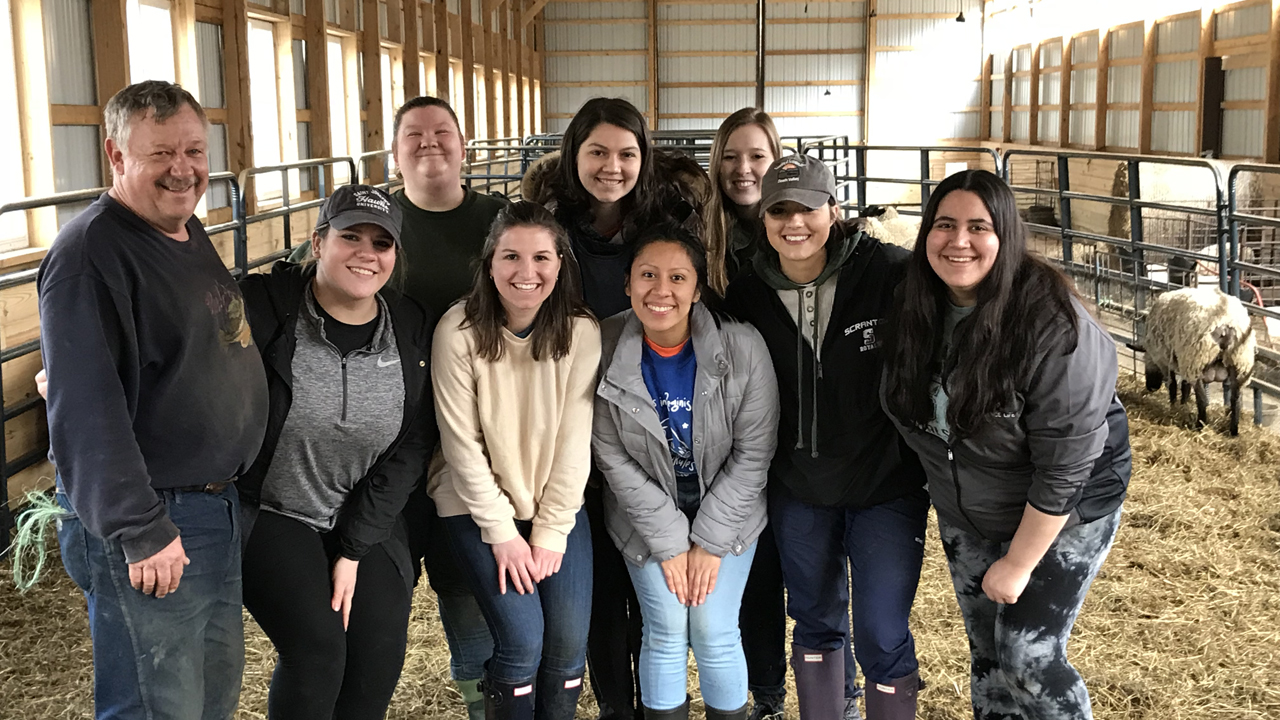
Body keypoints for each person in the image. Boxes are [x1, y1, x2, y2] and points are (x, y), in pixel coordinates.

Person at [37, 80, 269, 718]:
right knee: (155, 703)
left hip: (211, 507)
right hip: (157, 516)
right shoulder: (92, 253)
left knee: (209, 695)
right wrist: (140, 528)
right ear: (116, 156)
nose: (183, 168)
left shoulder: (185, 231)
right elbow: (85, 409)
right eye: (160, 153)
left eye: (195, 150)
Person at [880, 169, 1131, 720]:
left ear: (1007, 236)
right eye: (944, 225)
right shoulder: (914, 307)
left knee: (1027, 654)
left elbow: (1065, 465)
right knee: (988, 654)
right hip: (968, 506)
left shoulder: (1054, 325)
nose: (959, 240)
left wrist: (1018, 563)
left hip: (1063, 509)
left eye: (979, 226)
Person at [291, 95, 504, 719]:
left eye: (444, 131)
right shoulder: (377, 222)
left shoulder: (498, 221)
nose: (430, 143)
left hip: (478, 436)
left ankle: (481, 698)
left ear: (466, 146)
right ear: (395, 150)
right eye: (414, 134)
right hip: (385, 443)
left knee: (467, 581)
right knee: (378, 588)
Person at [522, 97, 708, 720]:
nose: (612, 166)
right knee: (599, 590)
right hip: (571, 420)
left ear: (643, 158)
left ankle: (657, 699)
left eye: (627, 153)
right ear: (574, 153)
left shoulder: (671, 218)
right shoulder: (545, 227)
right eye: (597, 151)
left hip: (653, 420)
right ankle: (614, 706)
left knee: (650, 586)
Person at [724, 155, 929, 720]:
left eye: (808, 208)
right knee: (814, 618)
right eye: (779, 210)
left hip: (885, 485)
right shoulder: (746, 297)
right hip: (799, 487)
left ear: (833, 210)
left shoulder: (890, 273)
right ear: (763, 219)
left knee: (882, 630)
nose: (795, 223)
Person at [228, 184, 436, 718]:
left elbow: (412, 444)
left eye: (382, 243)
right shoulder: (264, 306)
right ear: (318, 243)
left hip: (362, 511)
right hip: (274, 509)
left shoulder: (409, 327)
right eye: (350, 237)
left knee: (378, 657)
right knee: (318, 652)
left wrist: (354, 546)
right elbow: (173, 324)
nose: (367, 253)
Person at [706, 108, 862, 720]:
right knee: (755, 573)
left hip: (808, 437)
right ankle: (764, 692)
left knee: (803, 579)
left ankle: (809, 695)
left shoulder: (819, 241)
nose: (743, 169)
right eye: (730, 156)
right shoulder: (711, 243)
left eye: (757, 156)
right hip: (740, 429)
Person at [593, 224, 780, 720]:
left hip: (729, 514)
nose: (661, 291)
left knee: (715, 629)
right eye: (648, 275)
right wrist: (673, 543)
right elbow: (612, 457)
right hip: (645, 517)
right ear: (628, 283)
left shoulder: (742, 347)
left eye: (678, 277)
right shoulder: (603, 346)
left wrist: (709, 541)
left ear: (697, 289)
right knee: (666, 629)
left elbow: (753, 456)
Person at [429, 201, 601, 720]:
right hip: (473, 503)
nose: (527, 273)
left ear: (560, 264)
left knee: (569, 646)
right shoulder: (457, 330)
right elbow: (461, 445)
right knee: (523, 642)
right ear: (490, 264)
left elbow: (575, 443)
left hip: (553, 501)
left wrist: (550, 533)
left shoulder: (580, 331)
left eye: (542, 258)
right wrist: (503, 533)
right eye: (511, 257)